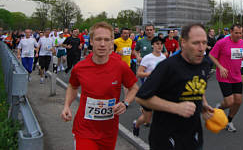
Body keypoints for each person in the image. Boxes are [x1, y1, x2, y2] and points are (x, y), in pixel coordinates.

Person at [61, 22, 138, 150]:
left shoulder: (120, 66)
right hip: (84, 130)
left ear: (111, 42)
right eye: (98, 39)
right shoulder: (80, 67)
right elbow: (72, 87)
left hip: (109, 132)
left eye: (106, 40)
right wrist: (66, 106)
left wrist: (125, 103)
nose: (102, 44)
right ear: (91, 41)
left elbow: (134, 88)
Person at [135, 23, 214, 150]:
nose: (201, 48)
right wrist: (176, 107)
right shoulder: (167, 66)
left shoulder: (205, 64)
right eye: (196, 43)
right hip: (166, 138)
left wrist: (203, 105)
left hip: (194, 136)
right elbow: (141, 97)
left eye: (204, 43)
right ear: (183, 42)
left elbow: (198, 87)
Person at [209, 24, 243, 132]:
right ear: (231, 32)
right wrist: (220, 67)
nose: (239, 35)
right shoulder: (222, 42)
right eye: (236, 33)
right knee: (229, 102)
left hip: (236, 75)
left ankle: (229, 121)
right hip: (224, 76)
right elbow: (211, 55)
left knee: (238, 101)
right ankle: (218, 109)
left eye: (240, 33)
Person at [133, 36, 167, 136]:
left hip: (161, 89)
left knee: (161, 113)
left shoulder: (163, 57)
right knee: (147, 119)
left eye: (161, 44)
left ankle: (160, 136)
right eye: (157, 44)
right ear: (152, 45)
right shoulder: (147, 58)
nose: (159, 46)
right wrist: (150, 74)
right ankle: (136, 124)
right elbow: (139, 73)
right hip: (149, 89)